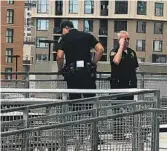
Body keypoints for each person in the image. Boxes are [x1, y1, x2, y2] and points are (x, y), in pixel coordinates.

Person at [56, 20, 104, 100]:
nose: (61, 33)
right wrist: (93, 63)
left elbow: (59, 56)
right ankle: (89, 112)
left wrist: (60, 69)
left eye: (62, 31)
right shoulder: (87, 36)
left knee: (75, 102)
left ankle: (76, 112)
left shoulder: (64, 38)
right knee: (90, 101)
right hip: (87, 73)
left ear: (66, 28)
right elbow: (100, 49)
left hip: (73, 75)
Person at [109, 30, 139, 140]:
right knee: (118, 111)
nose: (127, 41)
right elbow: (116, 61)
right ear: (119, 40)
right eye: (124, 39)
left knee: (131, 110)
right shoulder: (114, 51)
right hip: (118, 86)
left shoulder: (131, 52)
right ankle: (118, 135)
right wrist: (121, 47)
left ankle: (132, 133)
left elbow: (135, 67)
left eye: (128, 39)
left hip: (130, 86)